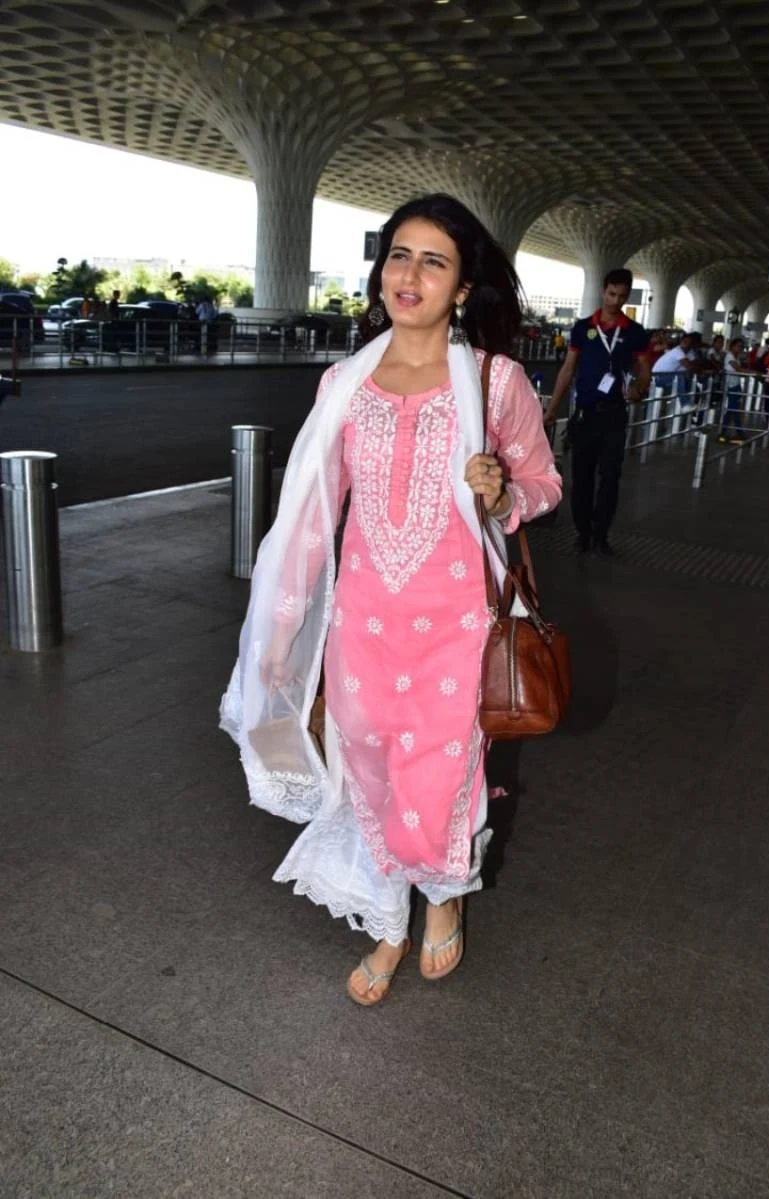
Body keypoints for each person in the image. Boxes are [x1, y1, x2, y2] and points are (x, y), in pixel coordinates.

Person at [220, 194, 562, 1005]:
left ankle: (441, 896)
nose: (408, 274)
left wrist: (503, 491)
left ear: (463, 287)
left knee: (441, 774)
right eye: (398, 255)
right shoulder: (344, 383)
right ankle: (388, 915)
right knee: (369, 769)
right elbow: (310, 519)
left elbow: (544, 483)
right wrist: (277, 630)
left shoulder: (493, 379)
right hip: (365, 622)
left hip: (458, 624)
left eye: (433, 260)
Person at [543, 268, 650, 555]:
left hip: (615, 413)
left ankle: (601, 534)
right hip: (586, 413)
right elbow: (568, 368)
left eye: (622, 296)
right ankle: (583, 532)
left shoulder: (635, 332)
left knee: (611, 476)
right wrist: (553, 408)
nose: (616, 301)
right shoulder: (582, 328)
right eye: (612, 294)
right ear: (603, 291)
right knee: (582, 476)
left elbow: (644, 369)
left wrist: (639, 388)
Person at [719, 336, 746, 442]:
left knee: (733, 410)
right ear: (732, 346)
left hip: (736, 385)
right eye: (737, 346)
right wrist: (754, 373)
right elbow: (738, 369)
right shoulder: (730, 357)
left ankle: (724, 432)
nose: (739, 348)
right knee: (733, 410)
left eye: (741, 347)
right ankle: (739, 433)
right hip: (731, 386)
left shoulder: (736, 357)